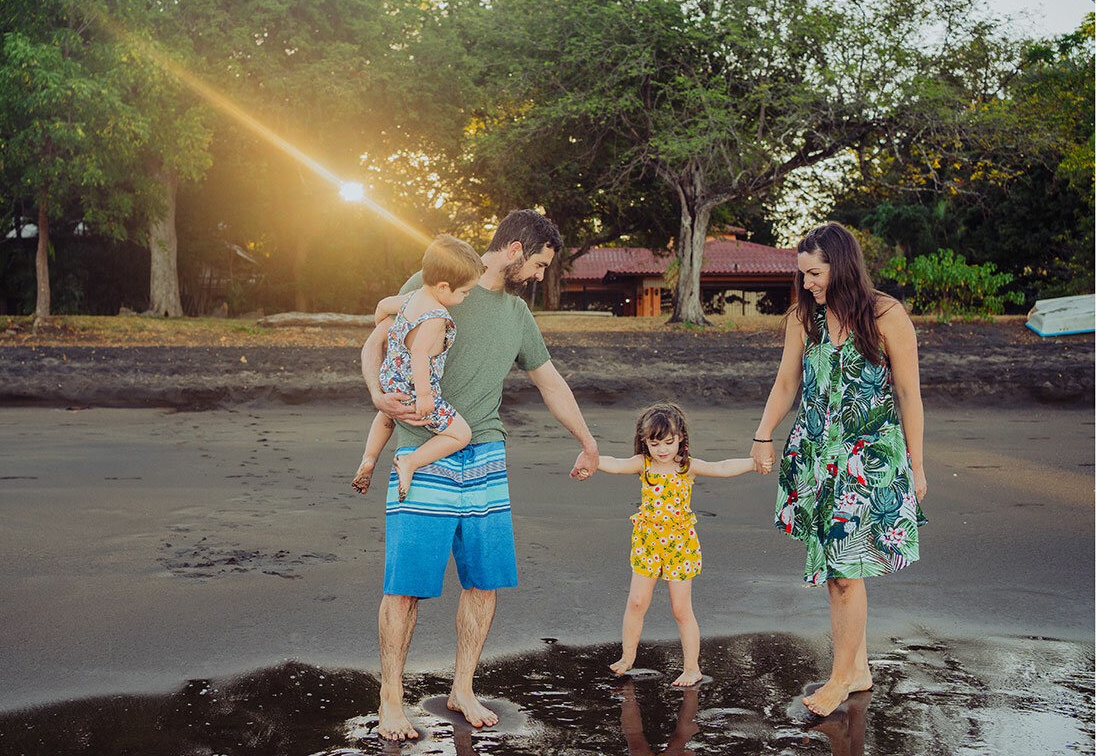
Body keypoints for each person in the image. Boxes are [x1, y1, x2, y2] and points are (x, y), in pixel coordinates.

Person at [360, 209, 600, 741]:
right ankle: (391, 701)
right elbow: (377, 338)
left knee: (484, 582)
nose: (540, 276)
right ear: (516, 249)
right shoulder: (438, 281)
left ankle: (462, 688)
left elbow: (551, 382)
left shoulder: (517, 316)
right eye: (539, 264)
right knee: (406, 587)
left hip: (485, 453)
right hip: (423, 447)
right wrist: (376, 394)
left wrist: (586, 440)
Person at [750, 222, 928, 716]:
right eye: (802, 274)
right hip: (816, 458)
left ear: (841, 265)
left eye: (814, 273)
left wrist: (917, 465)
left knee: (846, 573)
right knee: (838, 572)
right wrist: (763, 434)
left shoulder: (887, 314)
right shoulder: (802, 317)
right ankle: (859, 667)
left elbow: (909, 395)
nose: (806, 283)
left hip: (869, 461)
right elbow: (786, 384)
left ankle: (840, 678)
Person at [595, 402, 757, 686]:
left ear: (681, 438)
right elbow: (616, 464)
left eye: (668, 442)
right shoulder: (642, 465)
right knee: (636, 602)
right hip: (647, 542)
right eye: (655, 443)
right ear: (644, 441)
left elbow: (721, 467)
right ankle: (627, 656)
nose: (662, 449)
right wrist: (591, 459)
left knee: (681, 609)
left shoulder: (688, 468)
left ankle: (692, 667)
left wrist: (753, 462)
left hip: (680, 545)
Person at [352, 234, 485, 500]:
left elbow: (381, 307)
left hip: (391, 380)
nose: (467, 296)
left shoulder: (411, 299)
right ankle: (411, 462)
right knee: (461, 434)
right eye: (464, 292)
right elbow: (420, 353)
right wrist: (425, 396)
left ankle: (369, 458)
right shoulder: (436, 316)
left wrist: (388, 330)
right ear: (444, 287)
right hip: (415, 390)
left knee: (387, 414)